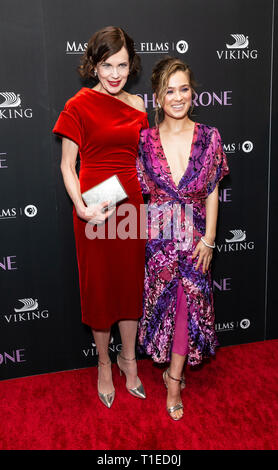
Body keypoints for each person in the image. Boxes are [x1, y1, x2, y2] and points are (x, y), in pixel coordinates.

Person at [53, 26, 148, 408]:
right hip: (94, 209)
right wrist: (80, 206)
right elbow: (67, 166)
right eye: (107, 64)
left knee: (128, 286)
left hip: (131, 205)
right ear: (93, 64)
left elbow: (145, 161)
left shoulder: (139, 106)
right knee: (100, 290)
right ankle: (105, 364)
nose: (114, 73)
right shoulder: (78, 105)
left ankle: (129, 359)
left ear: (131, 66)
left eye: (122, 65)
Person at [136, 57, 229, 421]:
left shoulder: (209, 137)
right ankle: (170, 372)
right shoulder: (144, 140)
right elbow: (131, 189)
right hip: (158, 238)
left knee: (187, 306)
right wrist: (87, 204)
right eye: (169, 91)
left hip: (194, 238)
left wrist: (209, 240)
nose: (177, 97)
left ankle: (174, 382)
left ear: (193, 92)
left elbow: (212, 190)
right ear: (157, 97)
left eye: (184, 89)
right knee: (169, 307)